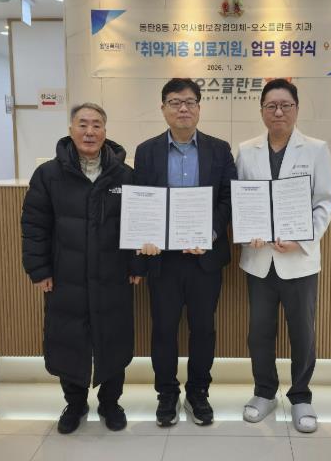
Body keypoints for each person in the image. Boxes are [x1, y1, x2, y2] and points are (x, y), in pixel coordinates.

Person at [21, 103, 140, 434]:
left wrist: (137, 264)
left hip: (113, 275)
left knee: (113, 337)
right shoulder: (48, 174)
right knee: (67, 338)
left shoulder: (124, 174)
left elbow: (138, 223)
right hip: (66, 276)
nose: (90, 132)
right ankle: (74, 404)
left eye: (97, 125)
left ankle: (110, 403)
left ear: (105, 131)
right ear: (71, 130)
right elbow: (34, 225)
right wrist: (39, 269)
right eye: (83, 124)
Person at [133, 78, 237, 427]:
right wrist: (146, 236)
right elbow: (141, 200)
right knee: (163, 329)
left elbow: (228, 197)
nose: (183, 108)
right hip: (162, 259)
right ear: (163, 108)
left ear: (199, 108)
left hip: (203, 258)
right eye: (175, 102)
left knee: (203, 329)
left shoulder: (219, 149)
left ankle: (198, 393)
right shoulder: (146, 151)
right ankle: (166, 394)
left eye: (190, 102)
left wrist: (210, 233)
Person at [236, 79, 331, 433]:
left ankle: (301, 396)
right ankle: (264, 392)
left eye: (285, 105)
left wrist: (302, 237)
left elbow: (325, 203)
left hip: (299, 260)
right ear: (262, 110)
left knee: (302, 333)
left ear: (296, 109)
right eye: (271, 106)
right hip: (259, 259)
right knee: (259, 332)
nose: (278, 112)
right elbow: (241, 199)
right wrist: (247, 228)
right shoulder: (246, 150)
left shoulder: (316, 149)